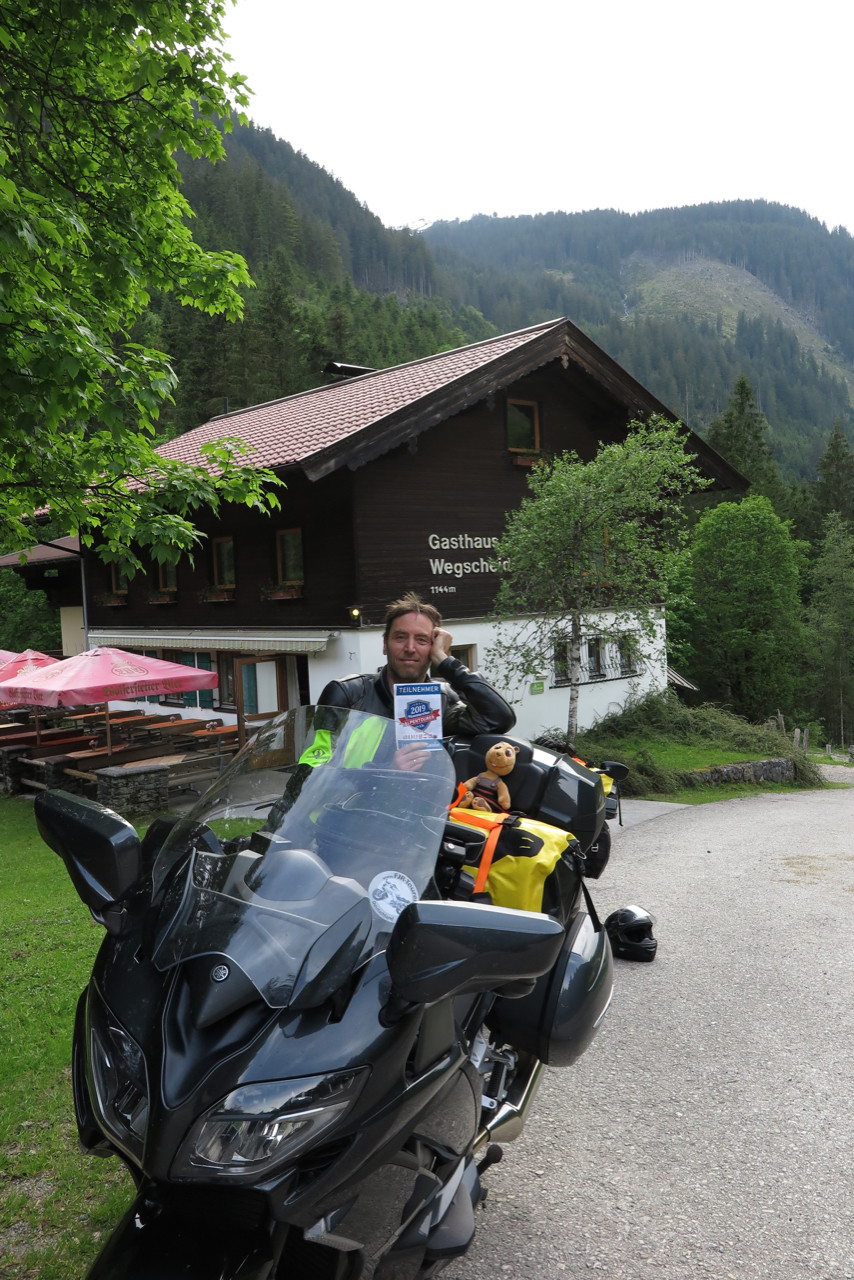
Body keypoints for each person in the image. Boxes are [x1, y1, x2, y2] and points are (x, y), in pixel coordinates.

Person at [318, 593, 515, 744]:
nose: (410, 648)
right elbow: (313, 769)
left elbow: (498, 719)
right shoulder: (348, 695)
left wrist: (446, 662)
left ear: (433, 647)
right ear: (385, 644)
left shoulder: (443, 700)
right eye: (400, 637)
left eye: (421, 640)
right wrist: (389, 767)